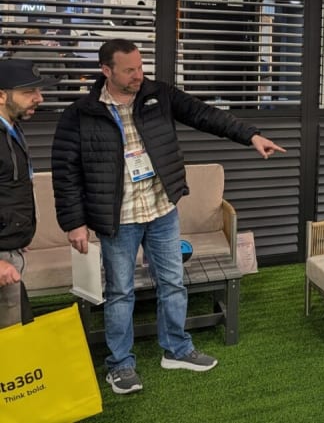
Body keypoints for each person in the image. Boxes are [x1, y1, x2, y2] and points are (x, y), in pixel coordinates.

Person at [50, 39, 286, 395]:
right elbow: (64, 171)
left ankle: (176, 349)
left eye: (140, 67)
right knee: (120, 293)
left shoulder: (157, 95)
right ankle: (120, 365)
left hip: (161, 210)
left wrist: (250, 134)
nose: (138, 75)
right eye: (129, 70)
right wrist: (73, 222)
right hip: (119, 219)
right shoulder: (80, 114)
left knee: (173, 283)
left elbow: (205, 114)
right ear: (106, 71)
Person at [0, 59, 57, 328]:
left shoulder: (12, 129)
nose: (39, 98)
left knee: (17, 338)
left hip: (10, 251)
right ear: (1, 95)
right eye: (28, 92)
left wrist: (16, 230)